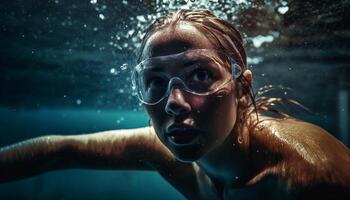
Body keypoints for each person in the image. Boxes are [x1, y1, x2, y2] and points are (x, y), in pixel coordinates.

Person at [1, 9, 350, 200]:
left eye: (199, 75)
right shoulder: (165, 150)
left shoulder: (313, 178)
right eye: (154, 81)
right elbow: (60, 150)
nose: (174, 103)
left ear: (242, 88)